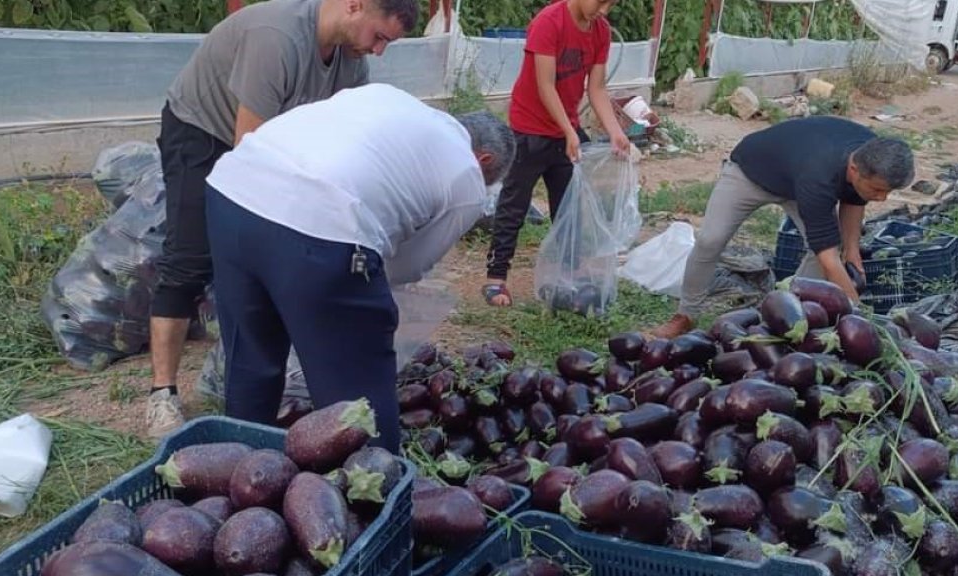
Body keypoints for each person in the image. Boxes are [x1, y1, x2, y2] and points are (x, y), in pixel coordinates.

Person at [145, 0, 419, 437]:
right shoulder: (278, 37)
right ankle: (162, 393)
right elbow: (248, 152)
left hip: (267, 141)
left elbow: (339, 144)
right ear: (355, 6)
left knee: (263, 256)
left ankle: (231, 366)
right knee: (191, 258)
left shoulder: (352, 64)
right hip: (204, 130)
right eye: (380, 37)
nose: (379, 51)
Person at [202, 83, 516, 453]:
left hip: (232, 193)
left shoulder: (393, 99)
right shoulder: (467, 177)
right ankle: (371, 492)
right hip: (321, 224)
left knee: (252, 360)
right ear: (484, 160)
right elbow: (409, 263)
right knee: (356, 398)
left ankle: (241, 470)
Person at [650, 116, 915, 339]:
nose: (883, 198)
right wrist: (860, 318)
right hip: (750, 173)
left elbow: (855, 199)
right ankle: (685, 315)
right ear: (854, 169)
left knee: (825, 249)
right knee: (711, 240)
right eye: (879, 190)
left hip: (798, 177)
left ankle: (783, 312)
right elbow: (830, 260)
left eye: (888, 191)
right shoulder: (819, 176)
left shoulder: (870, 153)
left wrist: (853, 251)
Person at [481, 0, 633, 307]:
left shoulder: (600, 31)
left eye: (611, 4)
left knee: (569, 204)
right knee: (514, 205)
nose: (603, 11)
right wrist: (568, 131)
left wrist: (616, 131)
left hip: (567, 133)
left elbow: (597, 89)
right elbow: (545, 85)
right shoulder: (549, 21)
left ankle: (569, 274)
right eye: (600, 2)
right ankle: (496, 278)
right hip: (529, 129)